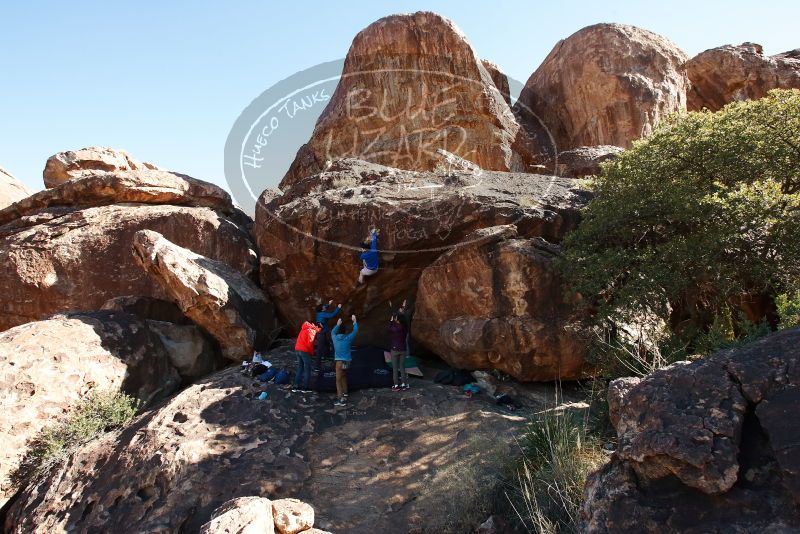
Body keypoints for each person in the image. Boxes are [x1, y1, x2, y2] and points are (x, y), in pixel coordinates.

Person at [331, 314, 359, 406]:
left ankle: (341, 399)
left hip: (339, 362)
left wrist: (337, 324)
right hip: (347, 362)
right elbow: (355, 331)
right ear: (345, 331)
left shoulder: (334, 338)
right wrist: (354, 321)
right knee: (344, 375)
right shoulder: (347, 338)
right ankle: (345, 392)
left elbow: (332, 332)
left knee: (338, 380)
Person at [291, 320, 320, 393]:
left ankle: (296, 386)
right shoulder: (312, 331)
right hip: (304, 351)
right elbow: (310, 344)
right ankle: (305, 388)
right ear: (316, 327)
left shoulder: (303, 329)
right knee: (307, 369)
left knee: (300, 368)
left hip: (297, 349)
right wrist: (312, 353)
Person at [388, 314, 409, 391]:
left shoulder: (395, 328)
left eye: (396, 318)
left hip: (395, 350)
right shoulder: (405, 327)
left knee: (395, 368)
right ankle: (404, 384)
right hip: (403, 349)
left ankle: (396, 385)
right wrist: (394, 321)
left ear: (398, 320)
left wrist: (391, 321)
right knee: (402, 367)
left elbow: (389, 328)